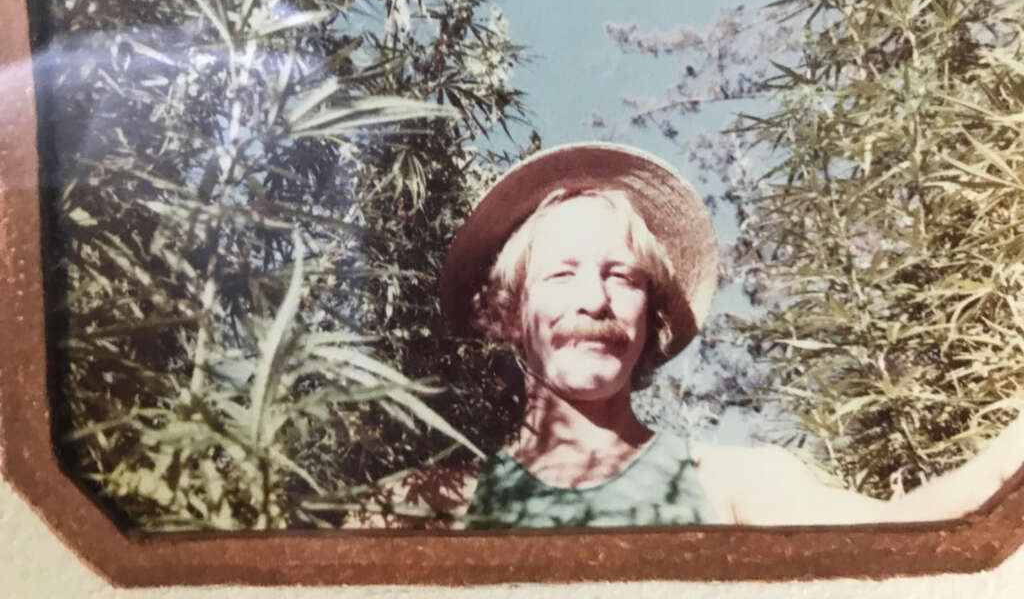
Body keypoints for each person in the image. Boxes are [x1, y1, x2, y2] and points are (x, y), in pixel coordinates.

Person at [376, 143, 1024, 529]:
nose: (596, 299)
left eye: (622, 277)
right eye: (562, 273)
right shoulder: (430, 505)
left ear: (651, 315)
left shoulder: (732, 485)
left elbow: (907, 541)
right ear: (508, 313)